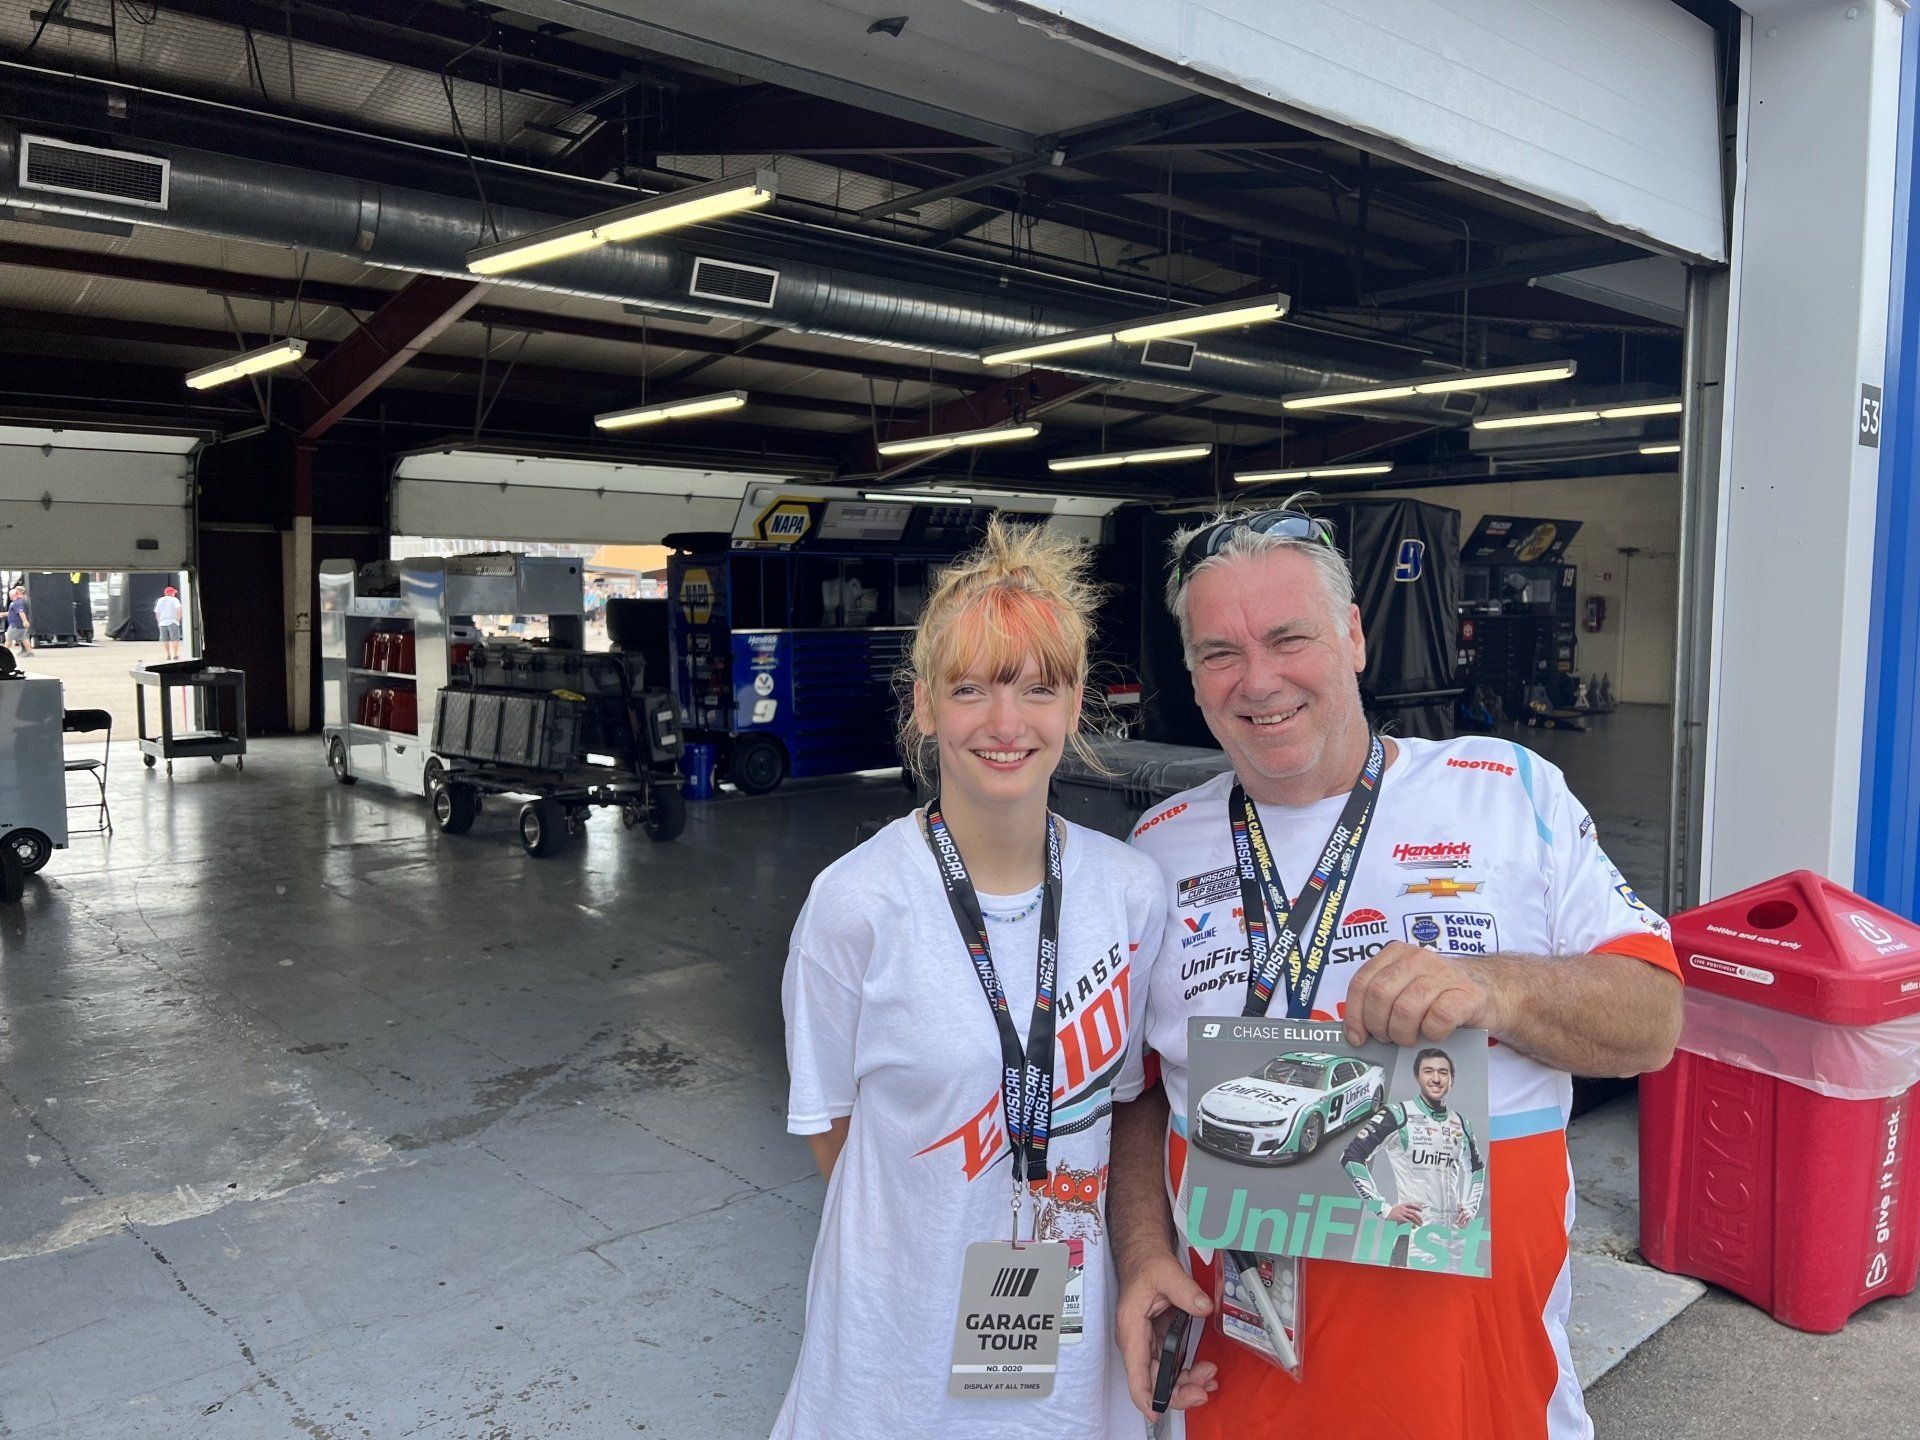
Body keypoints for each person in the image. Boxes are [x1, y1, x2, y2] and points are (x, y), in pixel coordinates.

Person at [1109, 501, 1682, 1440]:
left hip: (1478, 1399)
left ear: (1354, 637)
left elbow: (1655, 1019)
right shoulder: (1157, 849)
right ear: (1193, 675)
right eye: (1219, 652)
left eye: (1288, 637)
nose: (1258, 681)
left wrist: (1497, 987)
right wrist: (1139, 1253)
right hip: (1237, 1395)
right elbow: (1136, 1095)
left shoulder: (1507, 792)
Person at [774, 517, 1211, 1438]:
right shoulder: (855, 906)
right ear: (925, 705)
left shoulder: (1130, 893)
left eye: (1036, 689)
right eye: (970, 689)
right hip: (901, 1342)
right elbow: (836, 1137)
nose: (1005, 725)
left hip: (1076, 1334)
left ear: (1077, 702)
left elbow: (1129, 1100)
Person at [1340, 1047, 1485, 1271]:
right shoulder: (1397, 1114)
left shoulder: (1461, 1123)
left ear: (1452, 1079)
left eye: (1443, 1072)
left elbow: (1477, 1169)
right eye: (1428, 1071)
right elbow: (1351, 1157)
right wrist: (1383, 1208)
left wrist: (1470, 1206)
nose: (1436, 1079)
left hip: (1453, 1238)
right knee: (1403, 1301)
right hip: (1414, 1238)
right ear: (1417, 1076)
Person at [154, 585, 184, 660]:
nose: (174, 594)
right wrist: (178, 618)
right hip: (172, 621)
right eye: (173, 592)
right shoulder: (174, 599)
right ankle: (175, 655)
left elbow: (157, 613)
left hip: (162, 622)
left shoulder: (160, 600)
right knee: (175, 639)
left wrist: (159, 622)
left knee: (165, 639)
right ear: (171, 593)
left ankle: (168, 654)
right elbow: (179, 609)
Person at [5, 585, 30, 655]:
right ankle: (28, 651)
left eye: (10, 595)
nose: (9, 596)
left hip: (16, 624)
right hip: (17, 623)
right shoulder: (16, 602)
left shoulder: (18, 602)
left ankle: (3, 653)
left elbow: (21, 612)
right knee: (24, 638)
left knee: (9, 639)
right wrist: (4, 614)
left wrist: (25, 621)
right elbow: (13, 612)